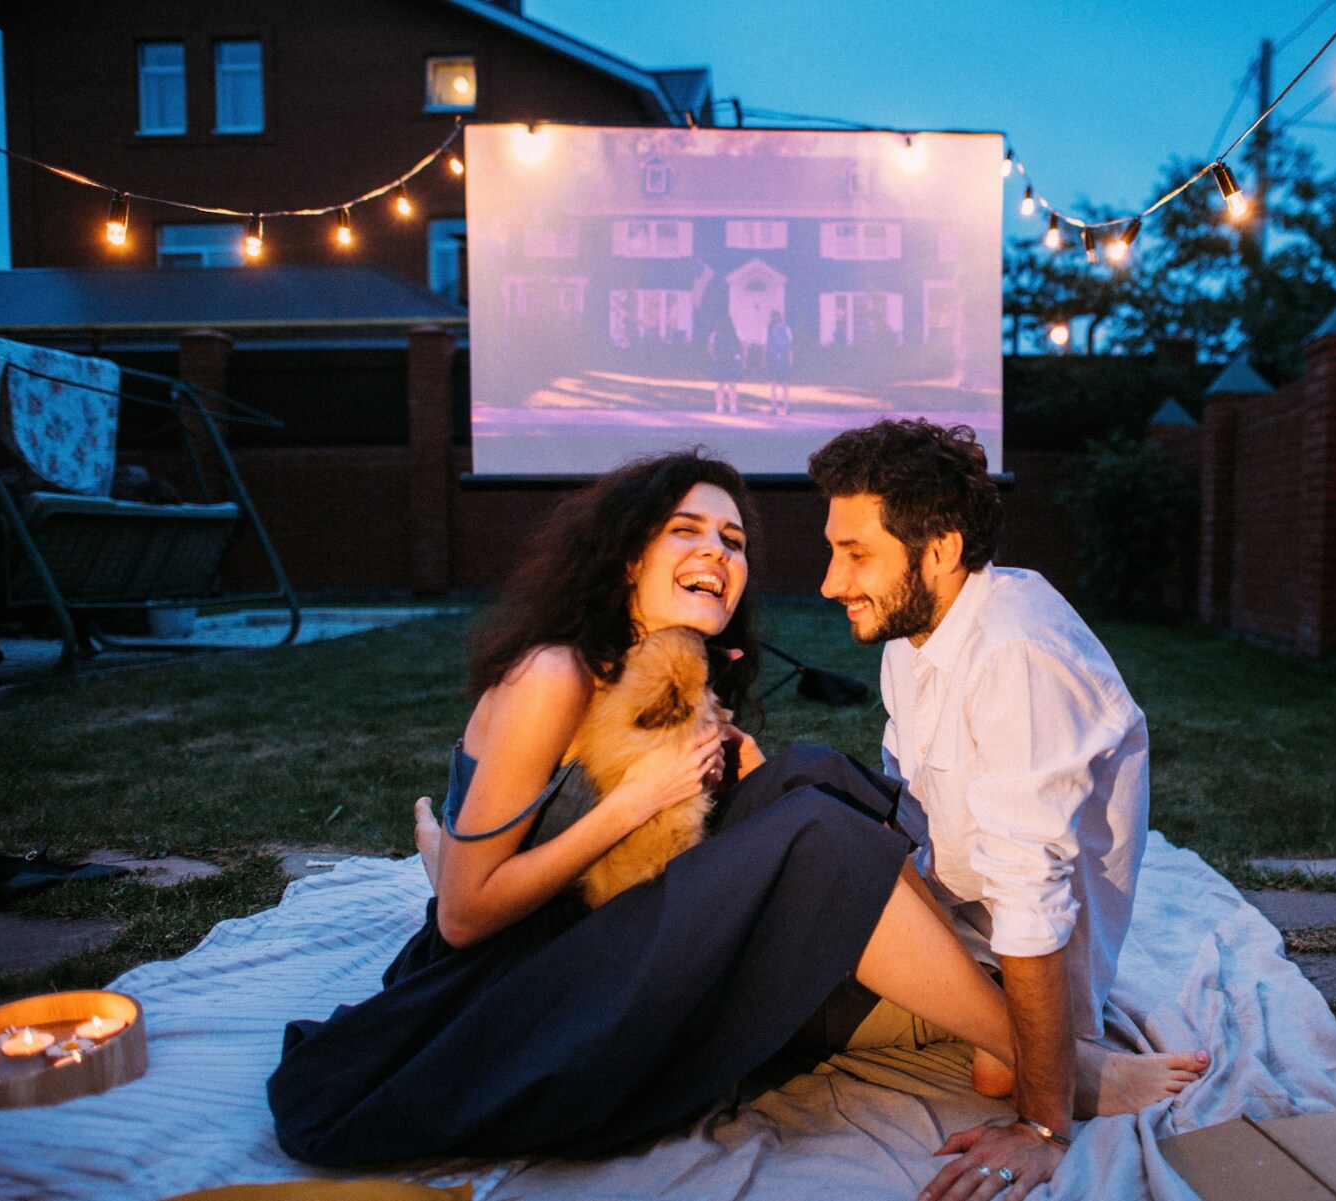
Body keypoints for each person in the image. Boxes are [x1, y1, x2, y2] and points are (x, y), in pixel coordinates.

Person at [268, 451, 1021, 1166]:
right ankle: (1045, 1054)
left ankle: (984, 1013)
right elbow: (464, 917)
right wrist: (634, 802)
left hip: (603, 929)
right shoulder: (555, 674)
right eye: (685, 531)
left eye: (732, 540)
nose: (717, 553)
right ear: (629, 557)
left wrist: (728, 786)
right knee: (818, 835)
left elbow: (659, 849)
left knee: (808, 774)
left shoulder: (667, 667)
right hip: (528, 988)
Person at [808, 420, 1212, 1199]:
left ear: (940, 550)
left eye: (856, 554)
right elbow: (912, 814)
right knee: (807, 813)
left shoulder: (1015, 651)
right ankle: (1031, 1042)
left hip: (1023, 944)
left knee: (772, 978)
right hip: (956, 910)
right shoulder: (914, 636)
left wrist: (1042, 1125)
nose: (830, 582)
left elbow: (1032, 900)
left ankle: (1062, 1054)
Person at [764, 308, 793, 416]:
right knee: (785, 385)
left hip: (773, 358)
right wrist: (790, 360)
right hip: (784, 358)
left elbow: (765, 345)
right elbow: (790, 345)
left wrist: (765, 359)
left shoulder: (768, 329)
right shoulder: (786, 329)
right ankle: (787, 407)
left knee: (774, 385)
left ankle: (774, 407)